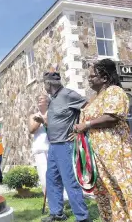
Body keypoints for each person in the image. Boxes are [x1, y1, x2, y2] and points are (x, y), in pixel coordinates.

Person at [74, 58, 132, 222]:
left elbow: (112, 117)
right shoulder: (94, 97)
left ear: (105, 77)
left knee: (120, 187)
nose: (89, 79)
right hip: (96, 152)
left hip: (114, 150)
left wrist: (87, 124)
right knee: (105, 190)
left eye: (92, 76)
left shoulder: (114, 91)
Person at [40, 72, 90, 222]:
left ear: (49, 84)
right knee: (52, 180)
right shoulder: (53, 99)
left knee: (70, 181)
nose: (45, 87)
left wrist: (82, 128)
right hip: (53, 146)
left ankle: (82, 217)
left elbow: (88, 108)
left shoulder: (68, 94)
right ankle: (57, 213)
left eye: (45, 84)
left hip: (66, 145)